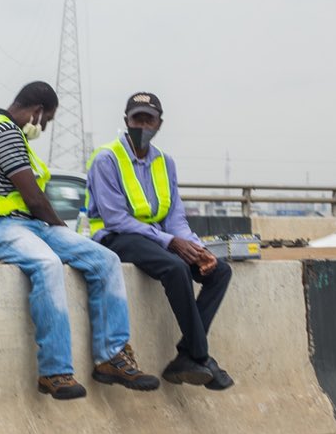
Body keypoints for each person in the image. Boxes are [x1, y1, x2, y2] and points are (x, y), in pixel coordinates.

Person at [0, 82, 161, 400]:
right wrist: (61, 231)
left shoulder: (17, 137)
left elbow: (34, 206)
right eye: (47, 121)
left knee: (104, 260)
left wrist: (58, 231)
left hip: (28, 227)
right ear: (37, 112)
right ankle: (55, 371)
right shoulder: (3, 133)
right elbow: (35, 199)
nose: (43, 127)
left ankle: (111, 356)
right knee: (47, 263)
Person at [84, 91, 235, 390]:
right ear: (126, 121)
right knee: (174, 268)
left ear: (159, 123)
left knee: (219, 270)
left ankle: (187, 355)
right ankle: (202, 356)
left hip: (156, 238)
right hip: (116, 237)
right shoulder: (107, 159)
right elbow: (115, 218)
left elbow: (175, 216)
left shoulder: (166, 163)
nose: (142, 125)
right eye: (136, 118)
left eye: (148, 119)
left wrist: (196, 248)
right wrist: (170, 242)